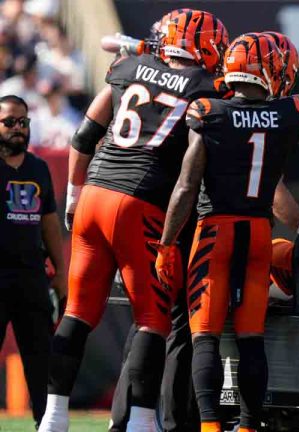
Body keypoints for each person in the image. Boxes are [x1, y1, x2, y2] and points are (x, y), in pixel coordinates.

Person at [154, 33, 299, 432]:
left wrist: (168, 243)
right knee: (251, 336)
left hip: (214, 232)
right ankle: (249, 424)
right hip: (258, 233)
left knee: (204, 335)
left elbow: (186, 186)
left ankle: (209, 425)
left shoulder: (209, 112)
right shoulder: (284, 114)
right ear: (273, 72)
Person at [38, 10, 231, 432]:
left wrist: (72, 195)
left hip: (93, 194)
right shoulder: (206, 86)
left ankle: (53, 416)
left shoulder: (128, 67)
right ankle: (143, 420)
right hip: (141, 203)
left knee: (77, 313)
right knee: (152, 318)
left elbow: (84, 135)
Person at [0, 94, 66, 428]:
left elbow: (49, 223)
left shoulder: (38, 168)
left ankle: (47, 424)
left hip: (31, 278)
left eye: (22, 122)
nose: (17, 129)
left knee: (41, 361)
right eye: (9, 122)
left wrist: (62, 273)